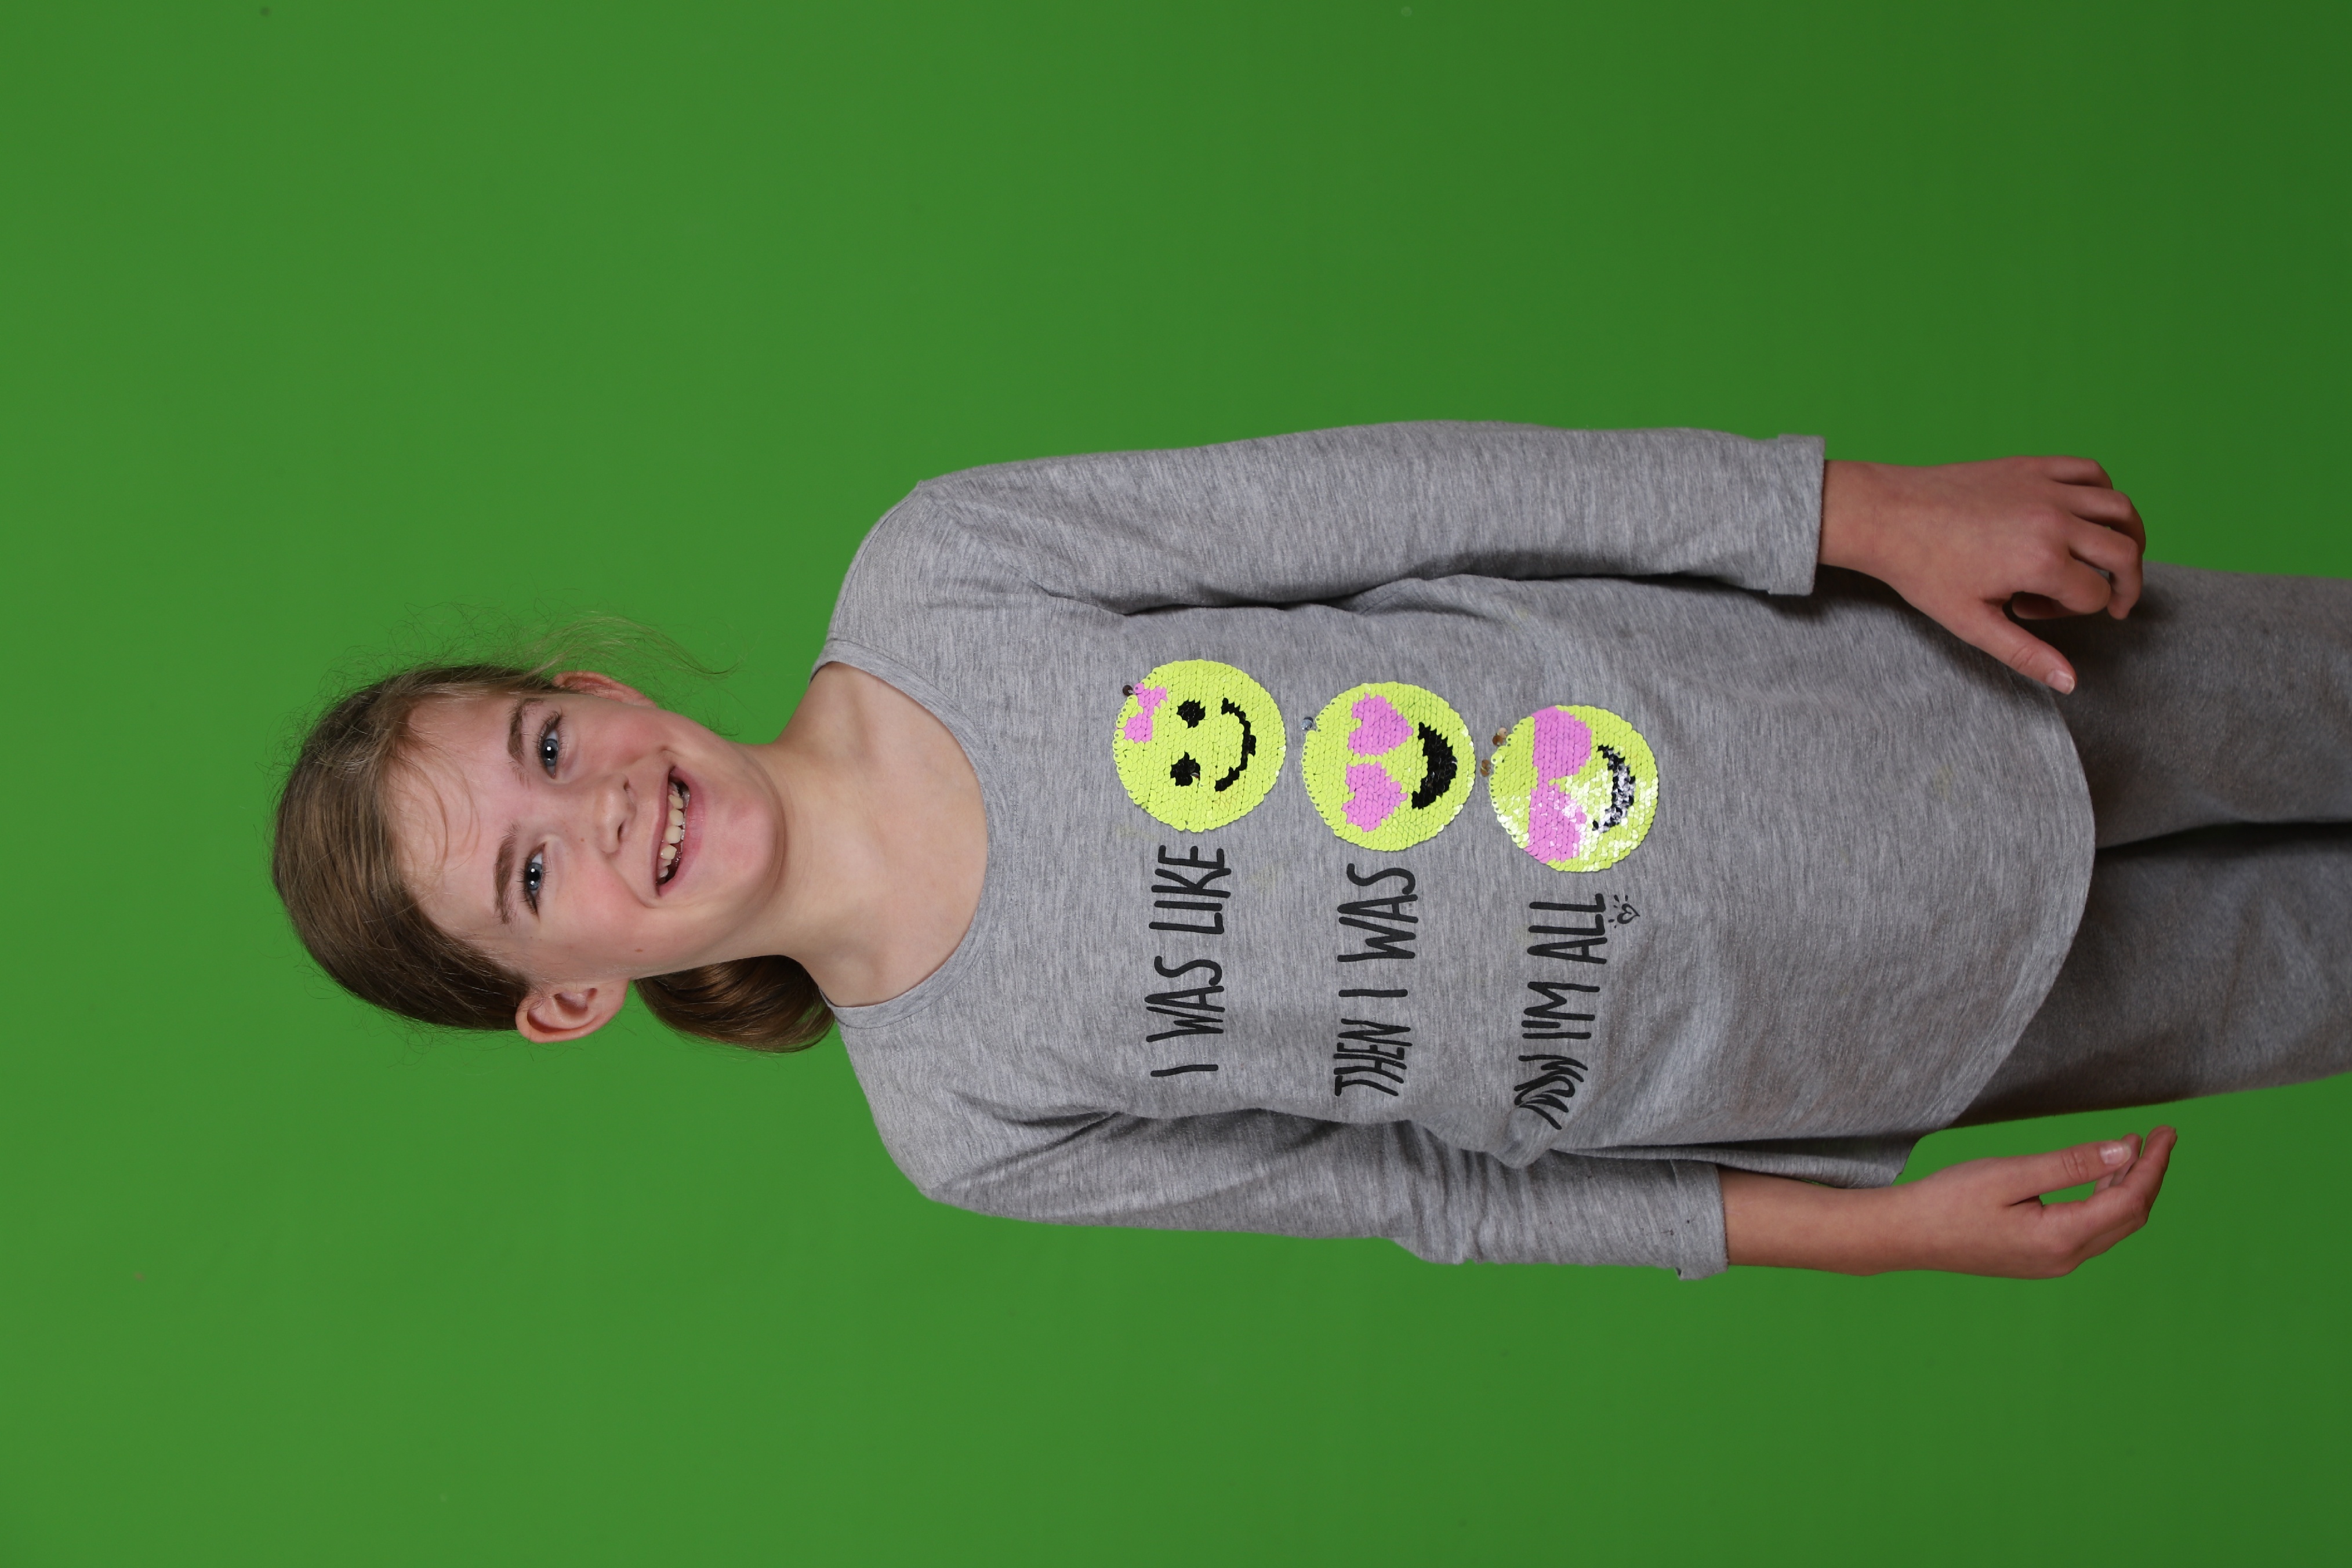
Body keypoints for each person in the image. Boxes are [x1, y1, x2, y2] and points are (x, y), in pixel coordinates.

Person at [271, 423, 2352, 1279]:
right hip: (1866, 1037)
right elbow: (1440, 1199)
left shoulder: (950, 573)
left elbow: (1423, 493)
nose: (595, 811)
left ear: (589, 687)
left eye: (548, 746)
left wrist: (1859, 510)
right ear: (566, 995)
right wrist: (1873, 1228)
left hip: (1876, 693)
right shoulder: (963, 1123)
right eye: (529, 877)